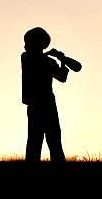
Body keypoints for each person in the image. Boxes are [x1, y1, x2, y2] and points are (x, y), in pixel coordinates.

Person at [21, 27, 69, 162]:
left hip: (38, 105)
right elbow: (62, 76)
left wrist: (59, 59)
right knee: (46, 142)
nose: (25, 46)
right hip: (47, 105)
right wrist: (61, 59)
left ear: (38, 44)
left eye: (28, 42)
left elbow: (61, 77)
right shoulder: (41, 60)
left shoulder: (35, 59)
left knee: (39, 142)